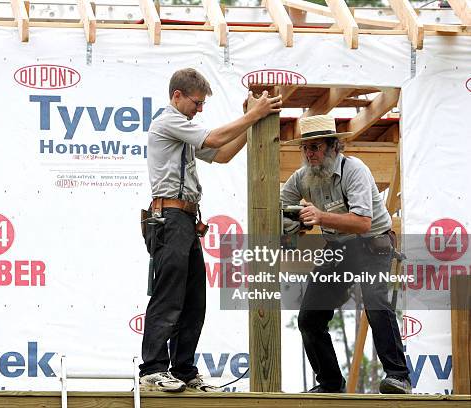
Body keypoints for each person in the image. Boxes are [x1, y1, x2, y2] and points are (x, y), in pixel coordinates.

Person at [139, 68, 282, 392]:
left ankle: (184, 371)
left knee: (193, 300)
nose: (200, 109)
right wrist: (253, 114)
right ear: (177, 96)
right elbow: (215, 138)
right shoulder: (168, 121)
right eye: (197, 102)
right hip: (170, 218)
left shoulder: (184, 130)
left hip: (185, 221)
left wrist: (254, 123)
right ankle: (153, 368)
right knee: (169, 294)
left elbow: (222, 154)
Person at [280, 114, 411, 394]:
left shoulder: (355, 170)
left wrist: (319, 217)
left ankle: (398, 376)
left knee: (375, 301)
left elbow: (363, 222)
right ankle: (329, 383)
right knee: (309, 318)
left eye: (315, 147)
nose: (309, 153)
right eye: (305, 148)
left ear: (333, 147)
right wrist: (294, 224)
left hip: (371, 244)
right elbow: (277, 205)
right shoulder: (302, 178)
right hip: (339, 249)